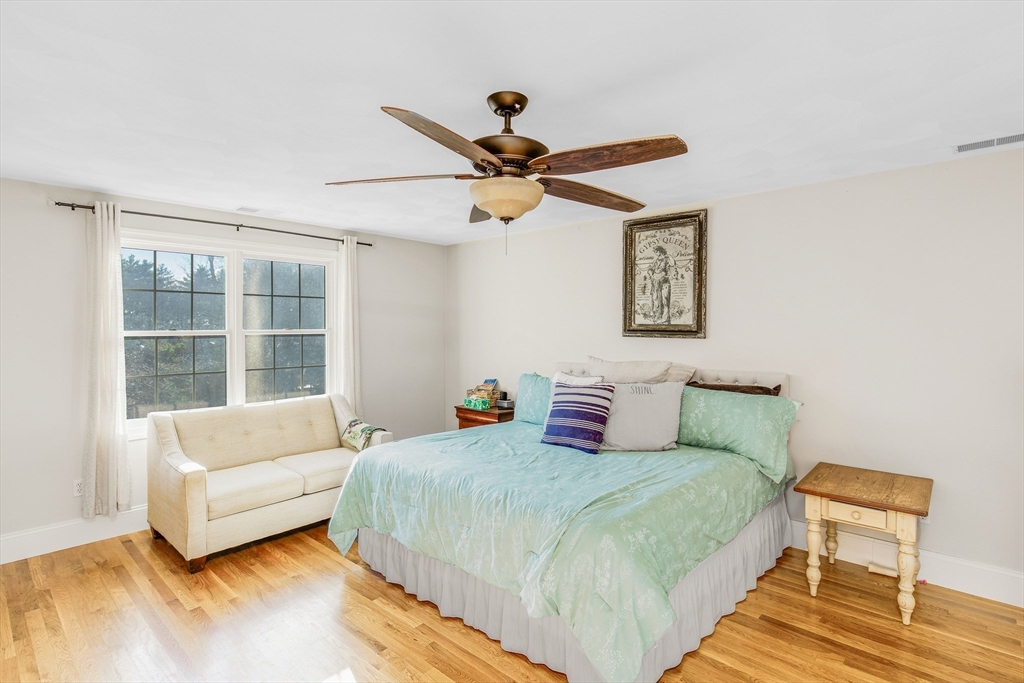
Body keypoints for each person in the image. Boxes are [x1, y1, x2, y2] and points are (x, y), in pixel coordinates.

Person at [647, 245, 676, 323]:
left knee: (665, 300)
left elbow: (672, 265)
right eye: (655, 252)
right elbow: (650, 269)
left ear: (660, 251)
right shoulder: (655, 261)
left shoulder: (666, 259)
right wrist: (651, 274)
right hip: (656, 282)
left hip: (664, 282)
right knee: (656, 299)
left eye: (657, 251)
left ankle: (665, 318)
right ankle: (658, 315)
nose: (656, 253)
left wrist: (668, 256)